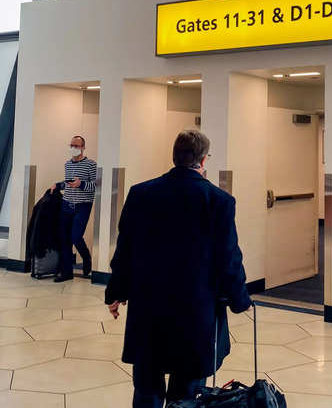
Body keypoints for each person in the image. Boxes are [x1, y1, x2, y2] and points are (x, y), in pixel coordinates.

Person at [105, 130, 252, 408]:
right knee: (187, 392)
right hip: (195, 309)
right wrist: (239, 299)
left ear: (174, 157)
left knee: (146, 386)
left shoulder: (141, 193)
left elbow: (125, 249)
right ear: (203, 160)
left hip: (148, 306)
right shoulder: (219, 201)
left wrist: (116, 291)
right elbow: (228, 257)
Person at [51, 135, 96, 282]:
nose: (73, 148)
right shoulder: (67, 164)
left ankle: (86, 257)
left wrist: (81, 184)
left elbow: (96, 186)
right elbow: (68, 182)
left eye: (76, 146)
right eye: (71, 145)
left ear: (83, 147)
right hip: (66, 204)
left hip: (83, 206)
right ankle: (66, 273)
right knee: (64, 239)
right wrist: (57, 185)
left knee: (75, 236)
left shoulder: (91, 165)